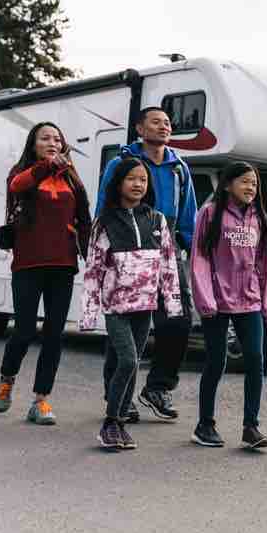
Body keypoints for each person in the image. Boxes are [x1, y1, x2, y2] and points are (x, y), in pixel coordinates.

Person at [96, 107, 197, 422]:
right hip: (126, 245)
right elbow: (104, 205)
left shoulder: (179, 168)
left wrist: (192, 249)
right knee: (126, 324)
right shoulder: (121, 163)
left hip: (166, 248)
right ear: (140, 128)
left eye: (167, 122)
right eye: (156, 121)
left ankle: (158, 387)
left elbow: (188, 214)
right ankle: (119, 395)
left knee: (179, 319)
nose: (164, 126)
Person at [0, 122, 92, 425]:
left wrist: (90, 254)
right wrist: (49, 165)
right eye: (45, 138)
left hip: (63, 264)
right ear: (33, 144)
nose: (52, 143)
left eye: (57, 139)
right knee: (24, 331)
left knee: (54, 334)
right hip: (28, 264)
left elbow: (84, 219)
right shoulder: (23, 173)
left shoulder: (71, 178)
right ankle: (7, 378)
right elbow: (16, 187)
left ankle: (41, 400)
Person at [81, 157, 182, 450]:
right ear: (118, 183)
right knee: (127, 361)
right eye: (131, 179)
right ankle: (110, 422)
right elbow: (94, 269)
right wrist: (88, 314)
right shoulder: (105, 222)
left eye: (143, 180)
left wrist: (172, 303)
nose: (138, 184)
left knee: (132, 364)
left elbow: (168, 264)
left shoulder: (157, 220)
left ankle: (120, 422)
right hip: (116, 307)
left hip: (145, 306)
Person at [190, 161, 267, 450]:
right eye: (245, 182)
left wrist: (265, 300)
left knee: (255, 359)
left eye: (254, 183)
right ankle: (205, 425)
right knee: (216, 361)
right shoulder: (210, 213)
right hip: (216, 299)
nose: (251, 187)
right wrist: (205, 297)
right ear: (228, 185)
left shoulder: (258, 218)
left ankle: (251, 427)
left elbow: (262, 263)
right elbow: (199, 257)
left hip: (249, 300)